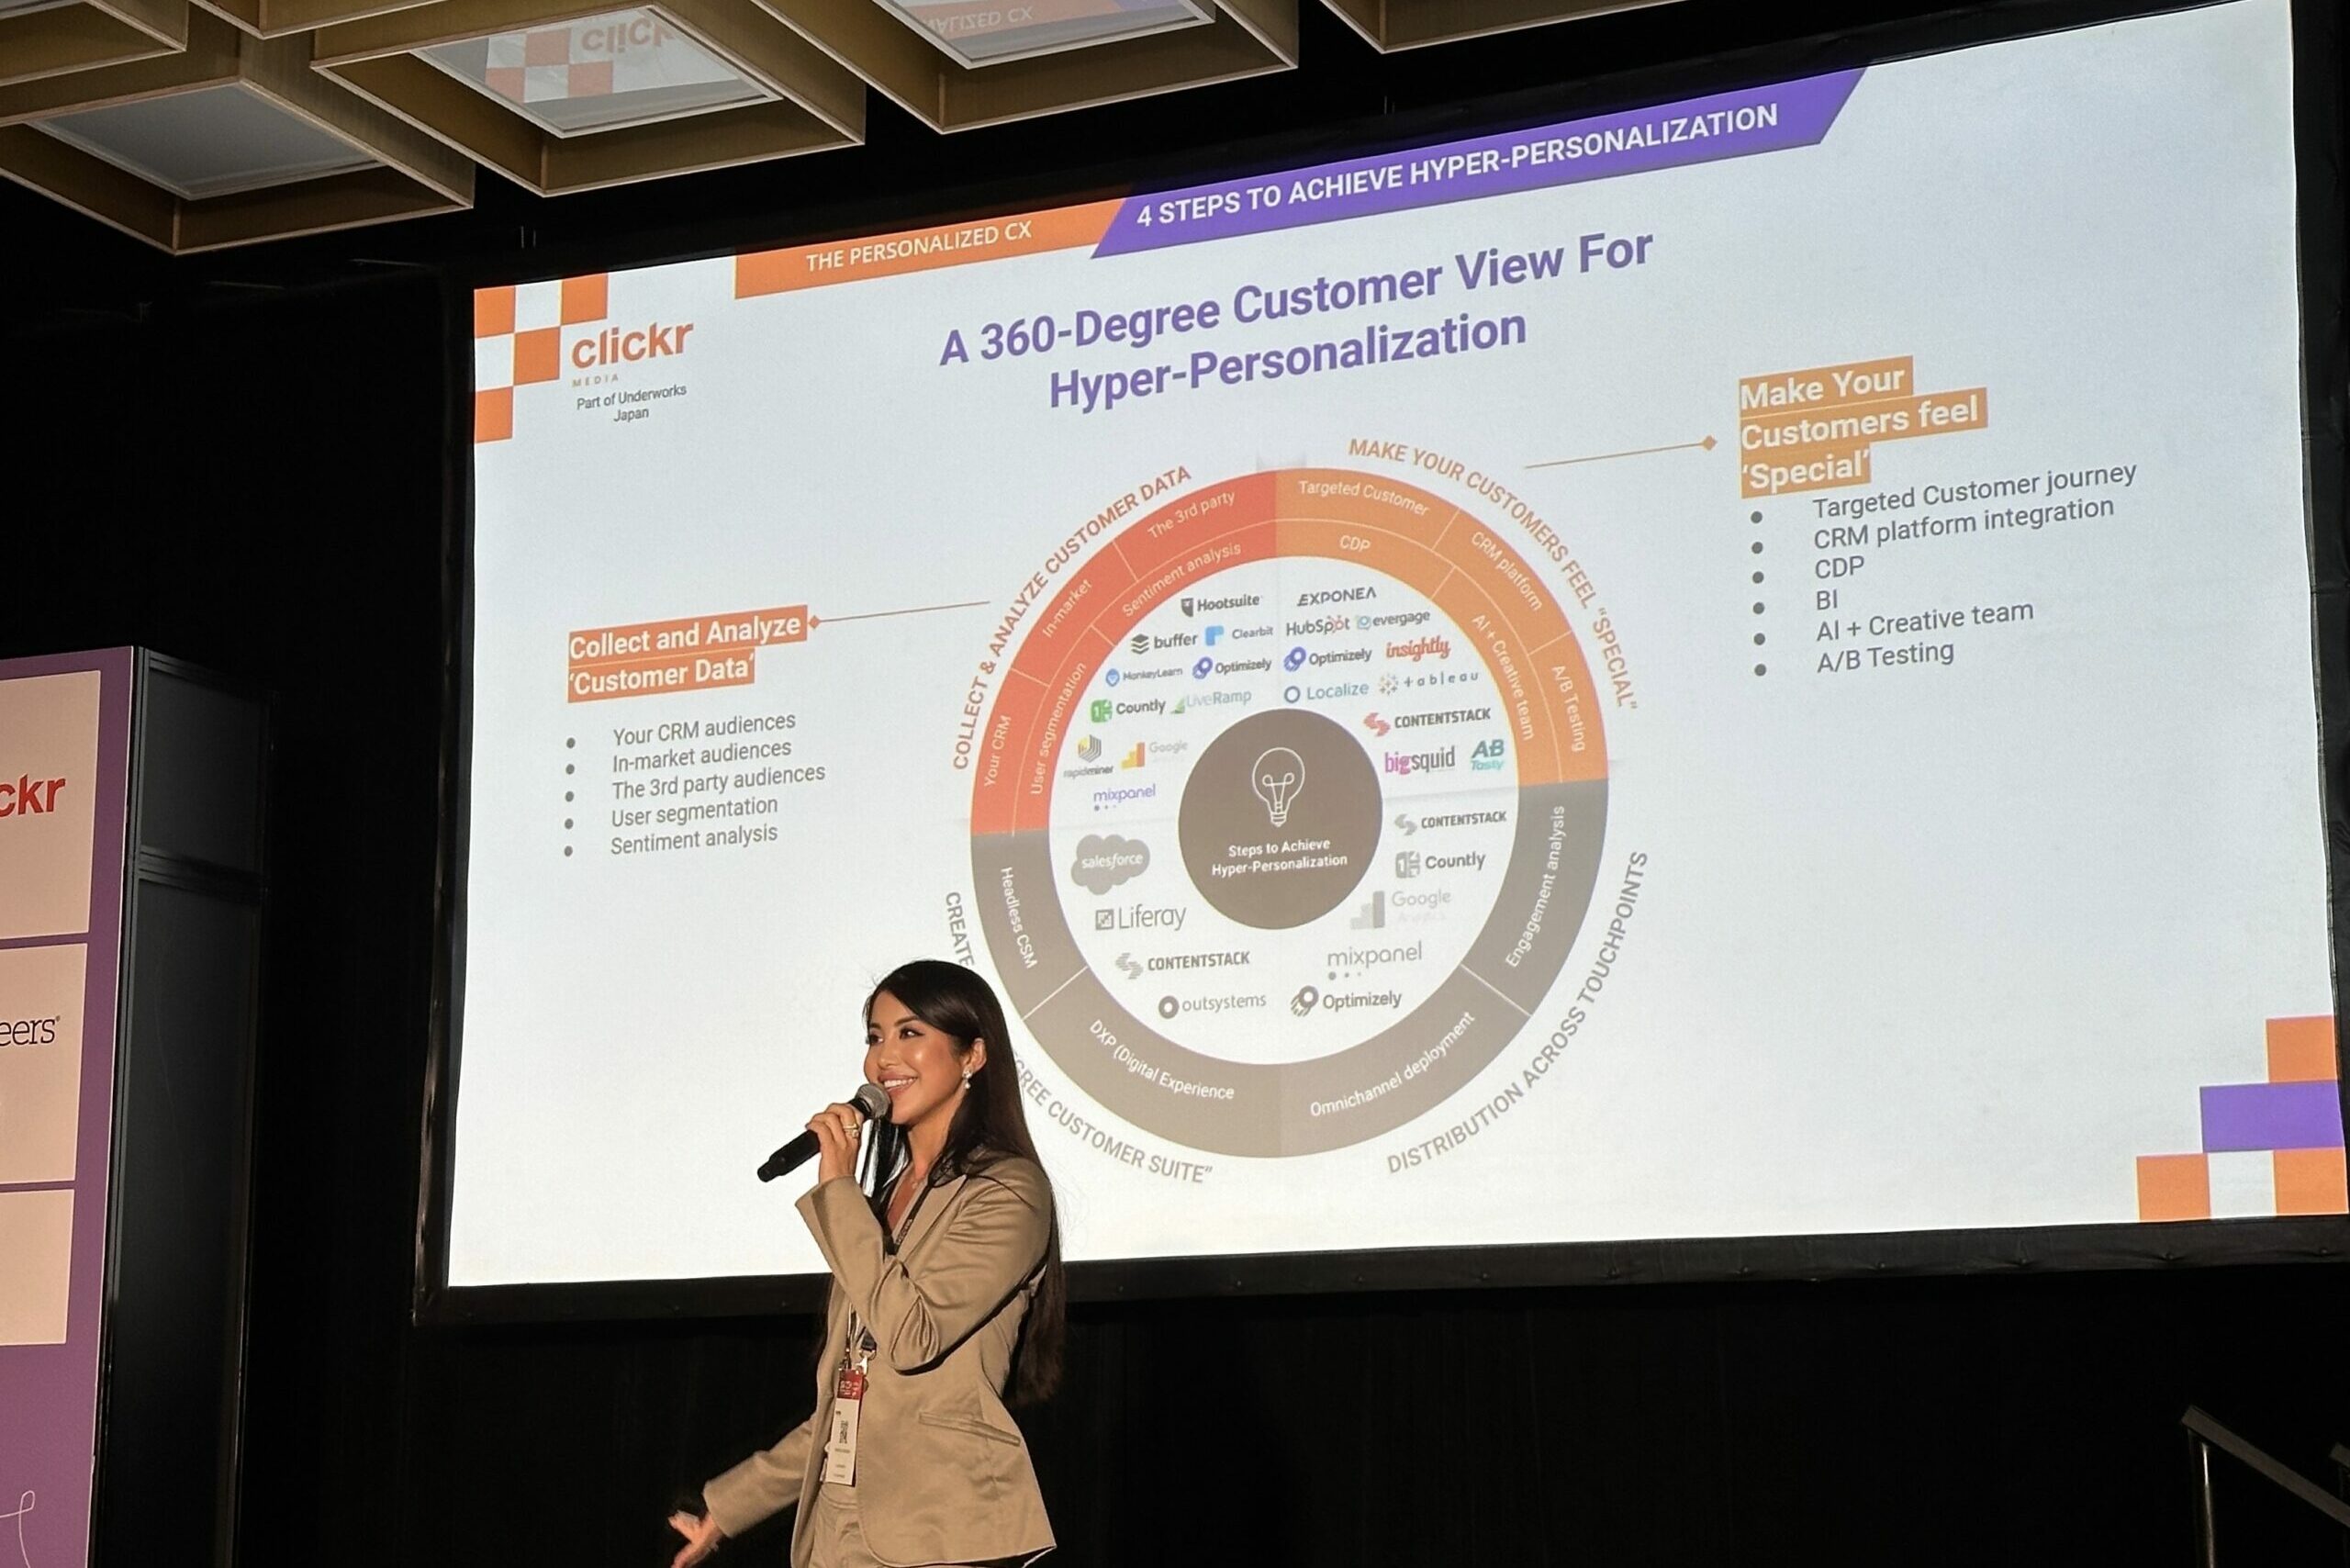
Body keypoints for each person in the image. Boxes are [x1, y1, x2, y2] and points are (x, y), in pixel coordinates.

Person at [668, 959, 1066, 1568]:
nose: (884, 1059)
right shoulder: (883, 1204)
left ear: (973, 1055)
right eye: (875, 1037)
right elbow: (849, 1398)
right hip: (841, 1527)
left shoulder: (1008, 1192)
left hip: (941, 1530)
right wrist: (726, 1510)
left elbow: (911, 1337)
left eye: (910, 1034)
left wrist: (837, 1188)